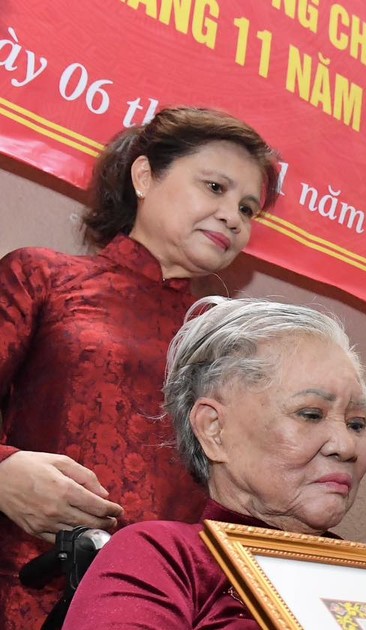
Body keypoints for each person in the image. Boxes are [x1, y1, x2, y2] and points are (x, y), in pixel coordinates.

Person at [0, 106, 279, 626]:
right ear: (145, 175)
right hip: (32, 592)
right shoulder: (42, 277)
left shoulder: (234, 349)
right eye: (215, 188)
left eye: (247, 209)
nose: (233, 218)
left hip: (180, 608)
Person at [61, 296, 366, 627]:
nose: (345, 446)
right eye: (310, 414)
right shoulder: (166, 558)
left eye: (357, 424)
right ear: (214, 429)